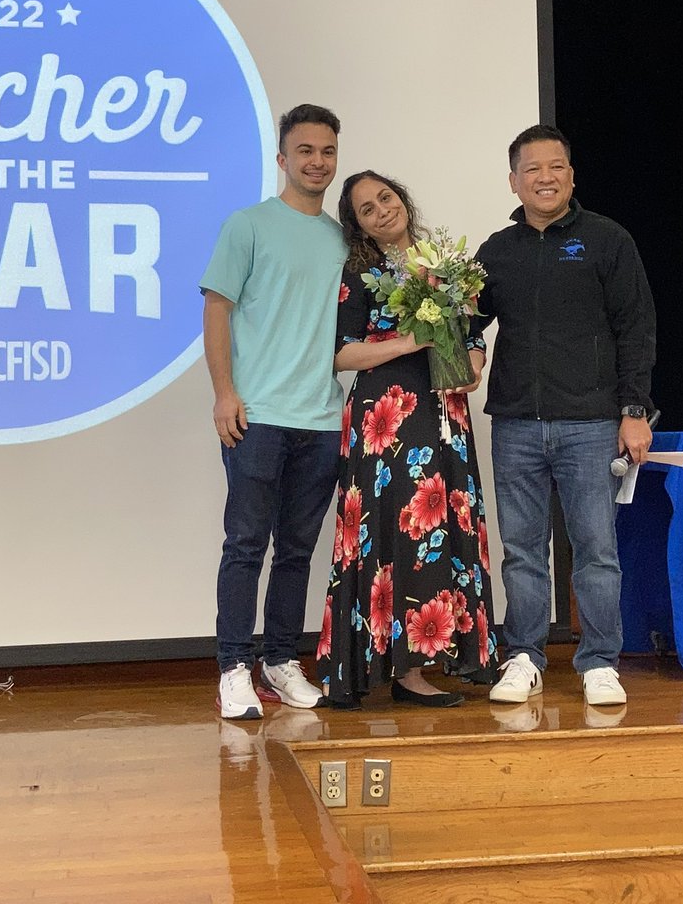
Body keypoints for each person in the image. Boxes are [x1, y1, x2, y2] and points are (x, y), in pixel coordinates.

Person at [470, 124, 655, 708]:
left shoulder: (607, 239)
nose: (544, 178)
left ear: (571, 176)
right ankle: (523, 656)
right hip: (516, 424)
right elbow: (471, 327)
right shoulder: (496, 250)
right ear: (514, 181)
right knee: (522, 549)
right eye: (532, 169)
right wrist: (464, 353)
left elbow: (636, 329)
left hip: (591, 423)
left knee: (595, 548)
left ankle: (599, 661)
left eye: (555, 167)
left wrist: (633, 412)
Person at [317, 171, 498, 708]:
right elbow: (340, 353)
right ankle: (400, 671)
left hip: (445, 411)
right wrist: (407, 341)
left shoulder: (442, 265)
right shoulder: (358, 273)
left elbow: (470, 334)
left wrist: (475, 361)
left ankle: (445, 657)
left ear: (402, 200)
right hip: (387, 419)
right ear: (359, 227)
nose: (381, 211)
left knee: (446, 525)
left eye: (385, 199)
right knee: (397, 532)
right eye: (367, 210)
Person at [200, 104, 346, 720]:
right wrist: (224, 392)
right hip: (256, 415)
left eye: (328, 152)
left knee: (297, 548)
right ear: (283, 159)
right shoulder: (248, 225)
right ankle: (234, 666)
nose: (317, 162)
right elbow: (217, 308)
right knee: (245, 544)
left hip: (321, 419)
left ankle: (281, 661)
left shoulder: (344, 238)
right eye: (305, 151)